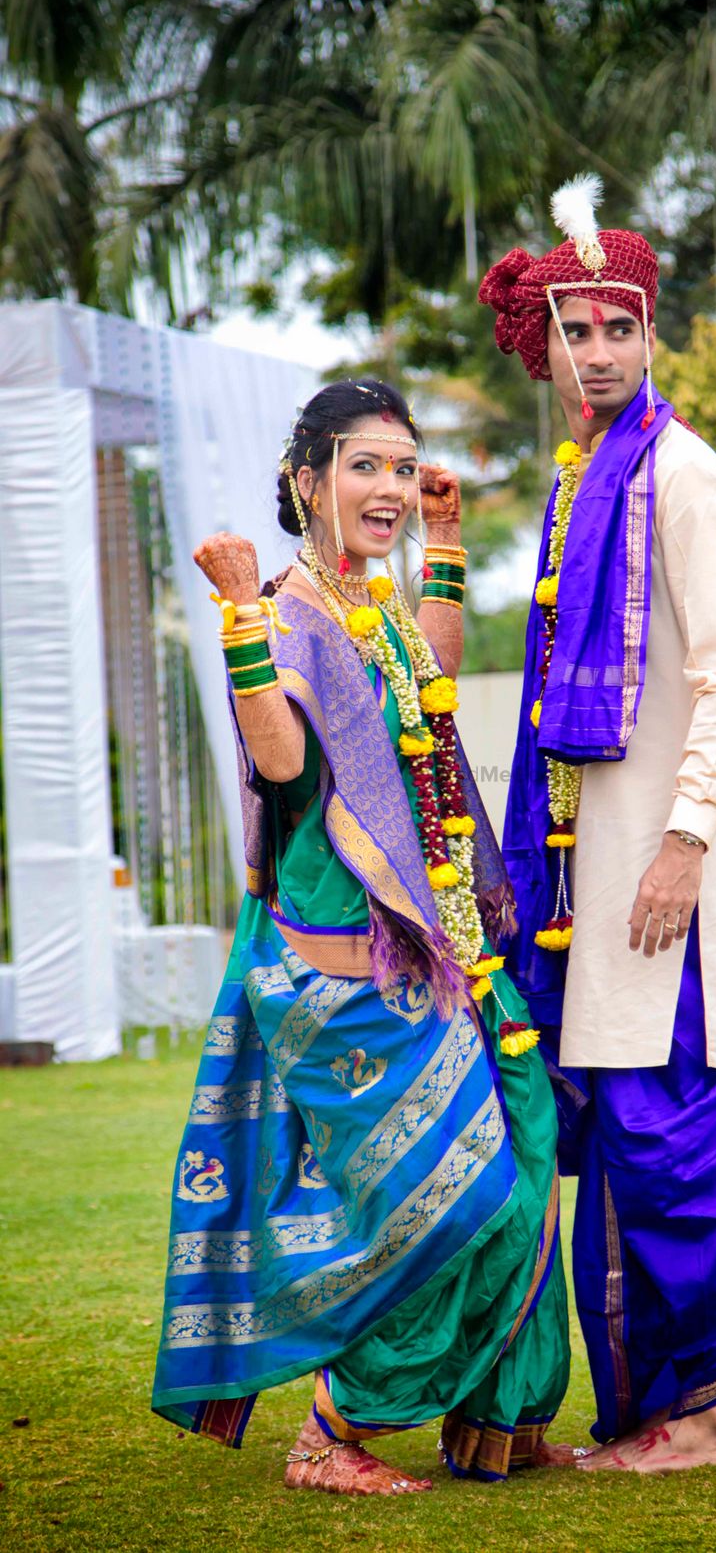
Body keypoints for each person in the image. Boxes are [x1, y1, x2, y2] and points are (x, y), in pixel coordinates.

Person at [151, 379, 573, 1495]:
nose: (386, 487)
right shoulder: (289, 612)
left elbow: (423, 682)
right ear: (307, 481)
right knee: (448, 1197)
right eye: (364, 467)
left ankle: (498, 1417)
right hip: (344, 965)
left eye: (400, 465)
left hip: (442, 945)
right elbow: (285, 762)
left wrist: (443, 545)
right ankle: (333, 1432)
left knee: (525, 1153)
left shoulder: (368, 608)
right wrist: (238, 612)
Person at [478, 176, 716, 1473]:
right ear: (543, 345)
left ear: (651, 333)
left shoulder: (684, 475)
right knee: (622, 1143)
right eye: (575, 331)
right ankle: (649, 1414)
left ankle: (712, 1419)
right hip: (587, 885)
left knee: (686, 1138)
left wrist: (683, 842)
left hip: (664, 881)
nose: (597, 351)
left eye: (618, 327)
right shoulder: (582, 483)